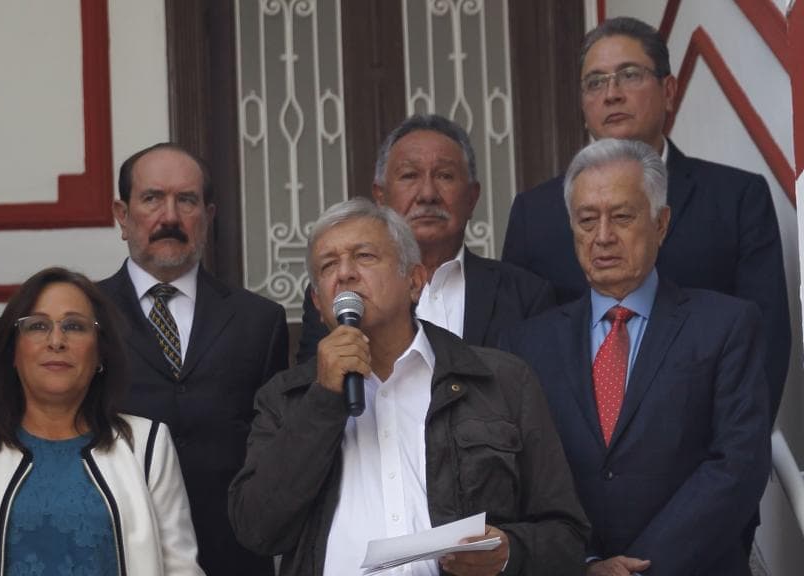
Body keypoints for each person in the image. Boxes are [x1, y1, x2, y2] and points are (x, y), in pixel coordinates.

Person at [230, 198, 589, 576]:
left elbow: (566, 538)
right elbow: (256, 529)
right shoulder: (285, 400)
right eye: (328, 265)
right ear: (319, 304)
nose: (346, 274)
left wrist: (508, 554)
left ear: (414, 282)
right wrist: (323, 401)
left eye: (364, 256)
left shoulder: (501, 381)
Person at [501, 139, 770, 576]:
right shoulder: (527, 345)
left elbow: (738, 464)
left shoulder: (725, 325)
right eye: (587, 220)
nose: (603, 236)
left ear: (661, 224)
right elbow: (522, 475)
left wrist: (641, 569)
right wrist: (585, 562)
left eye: (622, 216)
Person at [501, 16, 790, 421]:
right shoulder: (536, 212)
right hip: (573, 461)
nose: (612, 94)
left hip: (709, 453)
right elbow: (517, 357)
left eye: (629, 75)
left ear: (669, 91)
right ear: (583, 105)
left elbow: (768, 341)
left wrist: (731, 456)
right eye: (595, 82)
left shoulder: (736, 198)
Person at [0, 267, 203, 575]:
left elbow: (182, 570)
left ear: (101, 352)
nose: (56, 340)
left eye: (75, 326)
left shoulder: (148, 445)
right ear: (13, 350)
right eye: (37, 326)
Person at [98, 143, 289, 575]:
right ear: (122, 216)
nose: (169, 217)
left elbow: (273, 451)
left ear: (208, 216)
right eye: (151, 199)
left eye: (186, 200)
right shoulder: (83, 315)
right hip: (117, 552)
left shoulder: (259, 321)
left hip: (233, 556)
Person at [297, 114, 553, 364]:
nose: (428, 194)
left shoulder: (525, 295)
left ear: (472, 197)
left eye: (444, 176)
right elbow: (310, 391)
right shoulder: (342, 292)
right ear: (381, 196)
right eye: (409, 175)